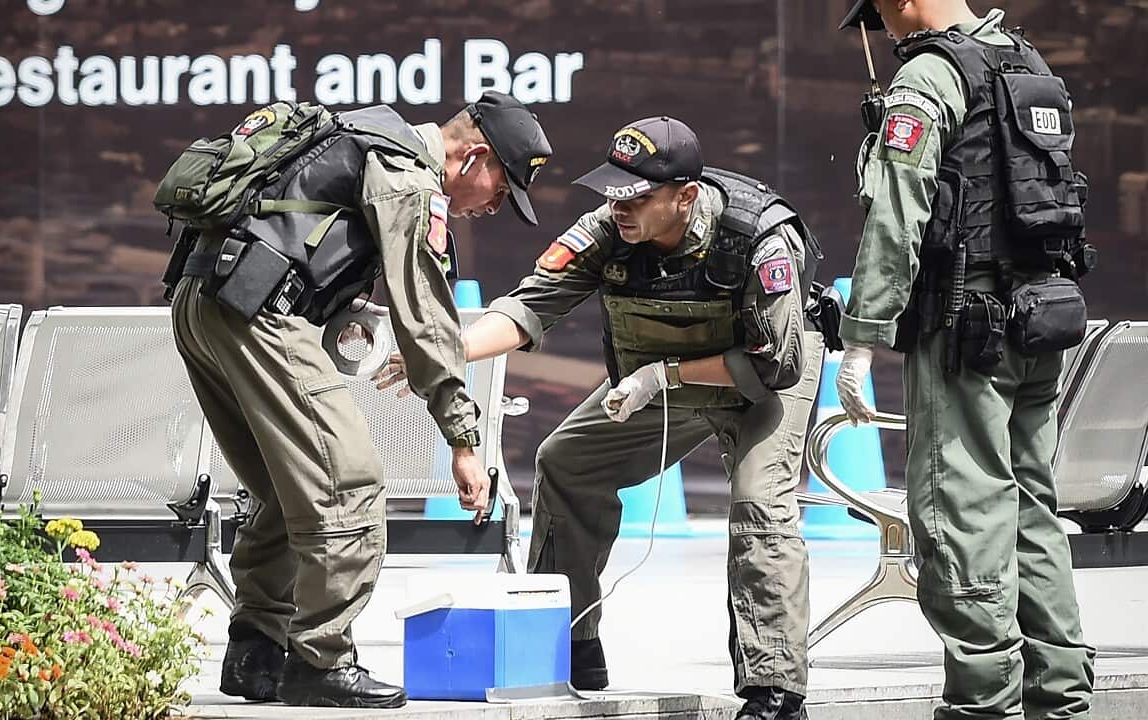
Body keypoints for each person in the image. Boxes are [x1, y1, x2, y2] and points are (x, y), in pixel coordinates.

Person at [376, 116, 825, 720]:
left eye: (637, 196)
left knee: (758, 501)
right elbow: (529, 307)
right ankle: (569, 643)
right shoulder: (606, 231)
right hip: (656, 383)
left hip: (762, 382)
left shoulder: (758, 238)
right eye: (612, 191)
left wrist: (663, 376)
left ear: (685, 197)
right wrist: (437, 350)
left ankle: (775, 689)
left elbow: (778, 363)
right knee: (565, 462)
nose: (619, 207)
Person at [165, 91, 552, 708]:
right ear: (474, 157)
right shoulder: (408, 176)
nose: (496, 206)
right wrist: (463, 440)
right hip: (259, 315)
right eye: (502, 189)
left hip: (204, 304)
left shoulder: (365, 133)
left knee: (283, 488)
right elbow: (426, 318)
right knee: (348, 484)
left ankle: (256, 653)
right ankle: (321, 660)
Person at [835, 2, 1097, 718]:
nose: (883, 30)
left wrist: (862, 334)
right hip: (1038, 319)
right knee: (1029, 509)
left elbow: (898, 206)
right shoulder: (1025, 60)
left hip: (965, 329)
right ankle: (1061, 697)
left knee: (960, 509)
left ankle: (983, 702)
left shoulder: (931, 72)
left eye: (882, 14)